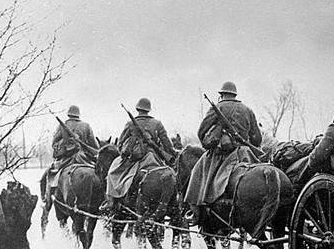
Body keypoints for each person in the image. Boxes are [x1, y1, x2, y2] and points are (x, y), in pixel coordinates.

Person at [184, 81, 262, 219]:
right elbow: (257, 139)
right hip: (245, 153)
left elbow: (201, 132)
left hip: (221, 154)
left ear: (222, 94)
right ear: (234, 94)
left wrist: (208, 143)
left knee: (196, 171)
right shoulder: (247, 110)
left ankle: (195, 210)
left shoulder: (217, 108)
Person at [100, 97, 176, 212]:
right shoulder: (157, 123)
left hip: (135, 158)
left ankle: (110, 202)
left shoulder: (130, 123)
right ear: (149, 110)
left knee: (111, 173)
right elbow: (167, 144)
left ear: (138, 109)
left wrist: (124, 152)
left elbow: (120, 144)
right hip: (154, 157)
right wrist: (172, 156)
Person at [45, 104, 96, 200]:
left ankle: (48, 200)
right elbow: (95, 146)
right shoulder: (86, 126)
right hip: (84, 158)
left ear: (68, 114)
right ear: (78, 115)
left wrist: (62, 145)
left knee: (50, 174)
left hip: (66, 158)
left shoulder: (63, 126)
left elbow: (54, 143)